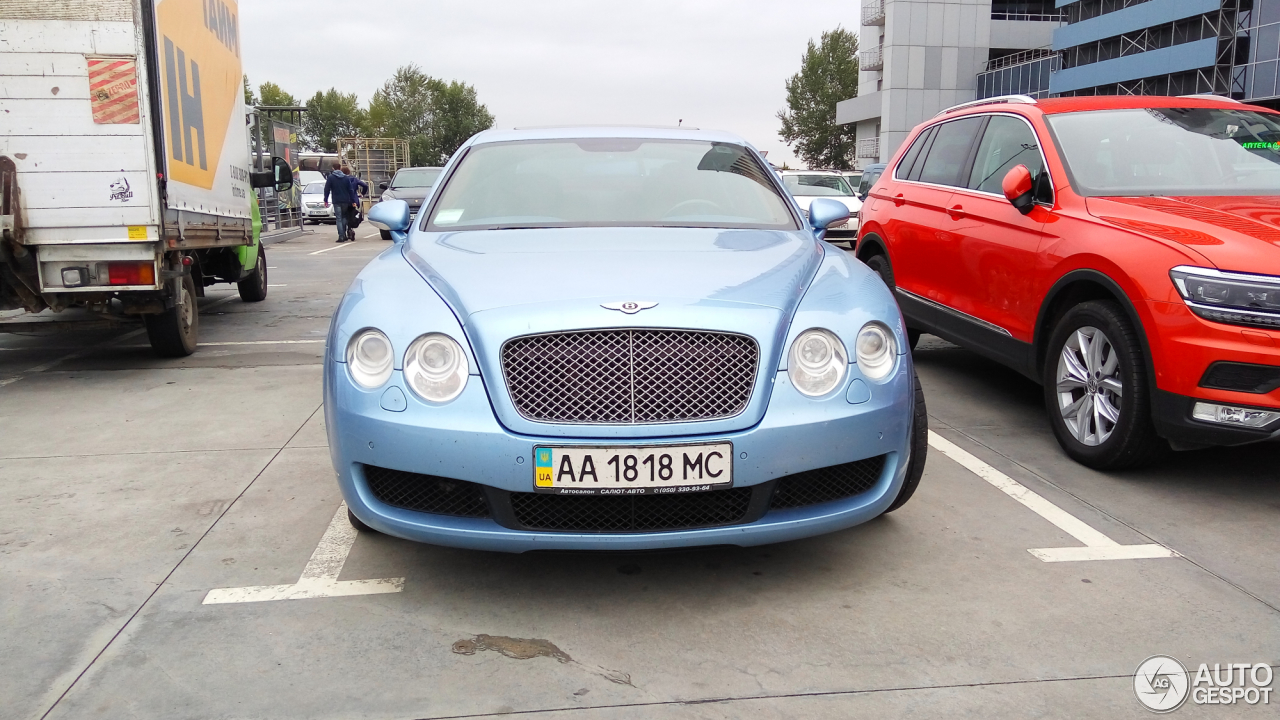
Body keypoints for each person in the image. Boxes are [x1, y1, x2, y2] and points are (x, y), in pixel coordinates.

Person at [323, 161, 358, 243]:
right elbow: (350, 190)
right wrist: (353, 201)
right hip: (345, 200)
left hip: (336, 200)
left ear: (333, 168)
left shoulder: (331, 177)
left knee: (338, 218)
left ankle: (341, 236)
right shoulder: (346, 178)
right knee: (344, 217)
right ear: (340, 168)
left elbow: (326, 189)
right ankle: (344, 235)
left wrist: (325, 200)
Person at [342, 165, 369, 242]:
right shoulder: (354, 179)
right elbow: (365, 185)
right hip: (354, 200)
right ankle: (351, 228)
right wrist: (362, 194)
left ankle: (346, 231)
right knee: (352, 214)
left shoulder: (342, 180)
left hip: (344, 200)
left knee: (344, 216)